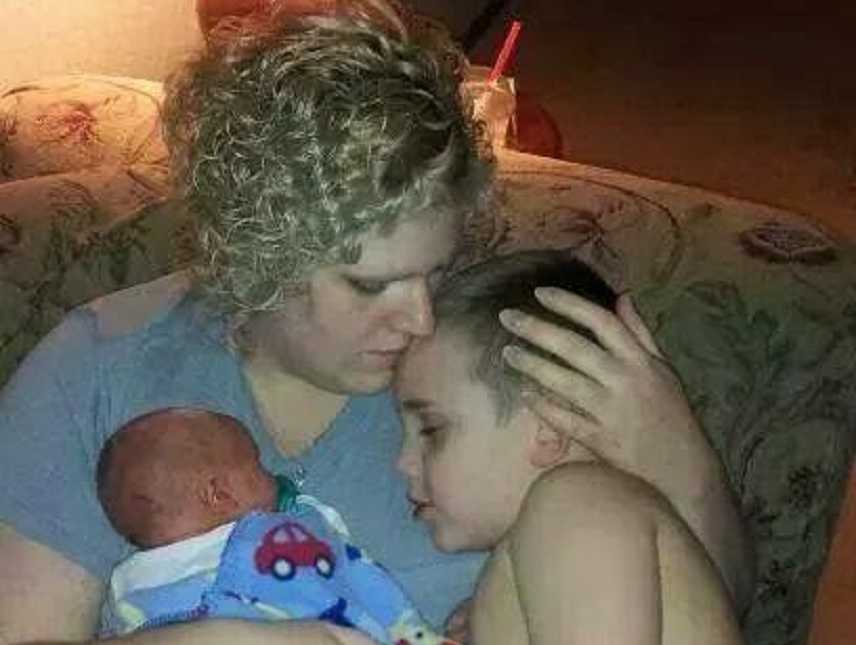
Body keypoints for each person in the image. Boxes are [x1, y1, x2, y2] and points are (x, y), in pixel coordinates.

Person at [0, 4, 750, 644]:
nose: (420, 315)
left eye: (433, 268)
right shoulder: (98, 368)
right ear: (260, 255)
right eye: (372, 283)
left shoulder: (496, 355)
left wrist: (680, 461)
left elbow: (696, 596)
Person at [394, 250, 746, 645]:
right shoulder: (544, 559)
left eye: (431, 429)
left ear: (549, 427)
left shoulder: (576, 506)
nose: (402, 463)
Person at [96, 408, 455, 645]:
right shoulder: (276, 535)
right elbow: (343, 574)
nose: (273, 476)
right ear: (219, 494)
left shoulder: (130, 588)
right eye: (258, 467)